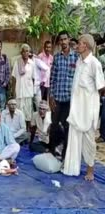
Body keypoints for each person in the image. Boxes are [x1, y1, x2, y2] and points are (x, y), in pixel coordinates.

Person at [63, 34, 105, 181]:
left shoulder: (94, 63)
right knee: (73, 138)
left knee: (89, 142)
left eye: (79, 43)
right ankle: (71, 168)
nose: (76, 45)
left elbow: (101, 87)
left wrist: (93, 102)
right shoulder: (79, 62)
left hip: (88, 111)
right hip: (76, 109)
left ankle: (90, 171)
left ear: (85, 45)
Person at [49, 30, 79, 159]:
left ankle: (65, 155)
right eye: (61, 40)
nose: (63, 42)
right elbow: (52, 78)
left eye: (65, 39)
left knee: (67, 127)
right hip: (57, 98)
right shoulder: (56, 57)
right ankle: (51, 152)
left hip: (69, 100)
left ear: (69, 40)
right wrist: (51, 97)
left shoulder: (76, 57)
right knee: (54, 126)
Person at [12, 44, 35, 129]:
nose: (25, 53)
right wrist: (13, 91)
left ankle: (28, 131)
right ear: (21, 52)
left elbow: (33, 78)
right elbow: (14, 78)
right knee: (19, 113)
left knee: (28, 114)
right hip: (19, 92)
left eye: (27, 51)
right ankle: (20, 131)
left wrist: (33, 91)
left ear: (29, 53)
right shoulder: (17, 62)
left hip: (28, 93)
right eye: (24, 51)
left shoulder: (32, 63)